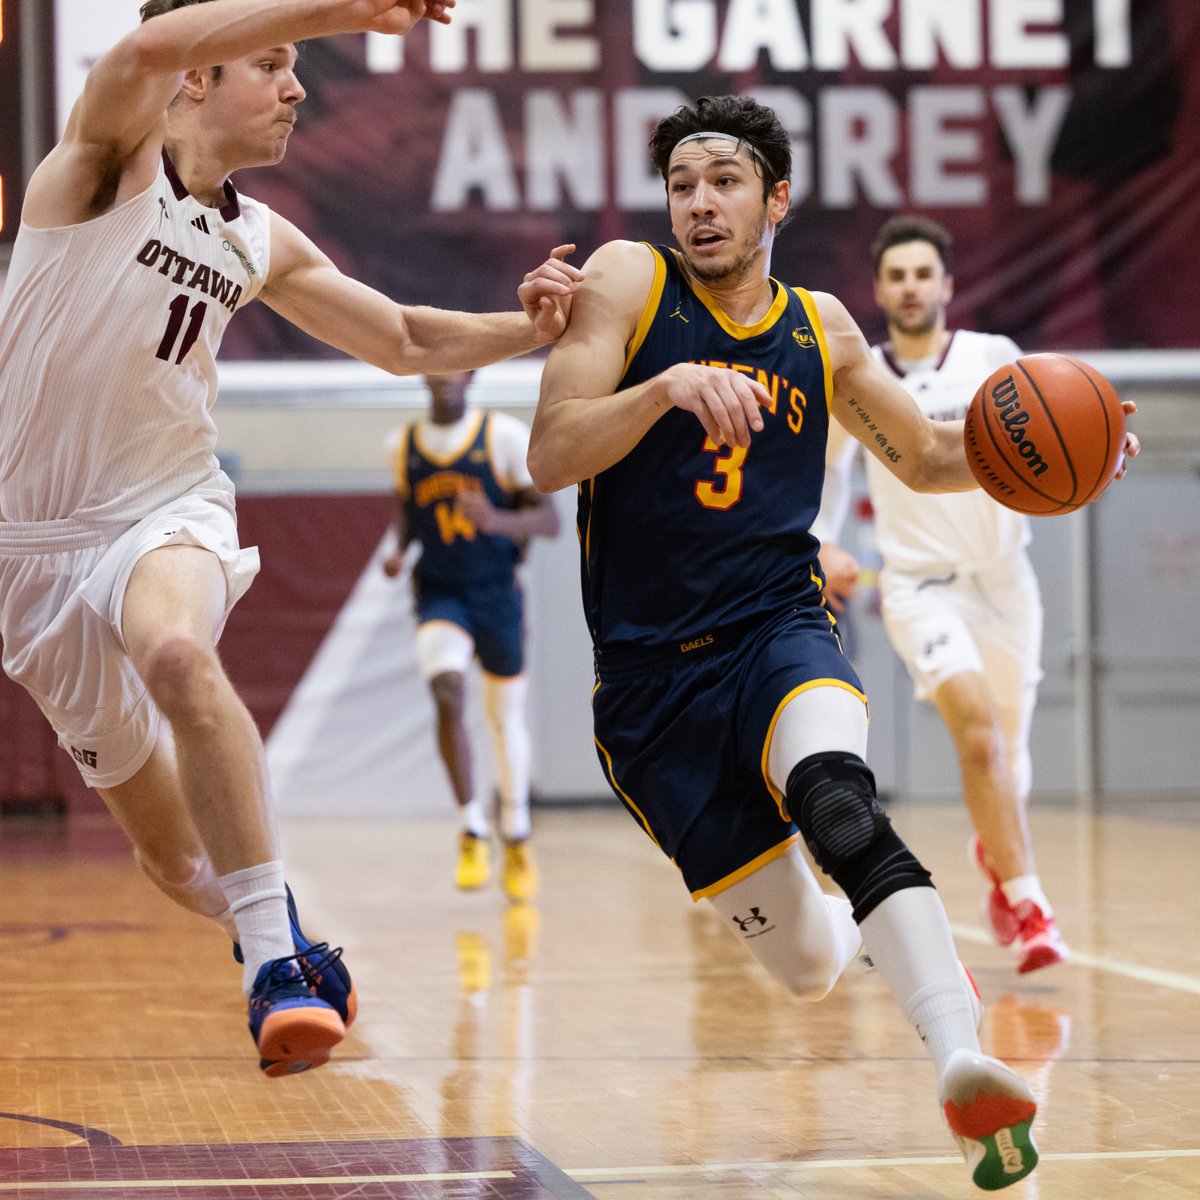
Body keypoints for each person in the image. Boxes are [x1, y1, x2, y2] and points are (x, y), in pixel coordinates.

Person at [528, 94, 1136, 1190]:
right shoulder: (628, 282)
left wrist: (1071, 452)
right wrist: (665, 388)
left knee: (838, 798)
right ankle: (867, 938)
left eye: (724, 182)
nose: (700, 203)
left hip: (778, 626)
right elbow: (550, 451)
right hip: (652, 693)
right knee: (809, 966)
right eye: (683, 185)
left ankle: (963, 1059)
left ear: (777, 199)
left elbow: (928, 455)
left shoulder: (823, 328)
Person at [0, 0, 582, 1078]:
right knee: (175, 861)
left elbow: (405, 339)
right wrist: (355, 6)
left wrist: (527, 330)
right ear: (195, 81)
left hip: (166, 503)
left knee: (176, 650)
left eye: (300, 65)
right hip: (28, 556)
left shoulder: (258, 237)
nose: (298, 87)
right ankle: (291, 933)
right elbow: (141, 45)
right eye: (270, 63)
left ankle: (269, 963)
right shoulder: (96, 172)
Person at [813, 214, 1069, 974]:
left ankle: (997, 856)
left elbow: (1062, 431)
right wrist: (822, 542)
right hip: (918, 589)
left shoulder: (995, 360)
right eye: (896, 275)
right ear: (880, 288)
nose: (910, 286)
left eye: (923, 273)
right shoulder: (863, 379)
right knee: (980, 736)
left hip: (1004, 581)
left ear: (947, 285)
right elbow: (826, 473)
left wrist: (1103, 445)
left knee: (1008, 761)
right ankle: (1030, 906)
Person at [382, 371, 559, 901]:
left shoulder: (501, 436)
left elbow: (548, 520)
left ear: (472, 375)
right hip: (440, 593)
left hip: (496, 593)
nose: (444, 376)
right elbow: (408, 520)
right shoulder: (403, 445)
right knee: (446, 691)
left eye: (456, 366)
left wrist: (495, 521)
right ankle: (471, 827)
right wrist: (399, 552)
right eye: (435, 366)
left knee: (504, 720)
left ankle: (518, 834)